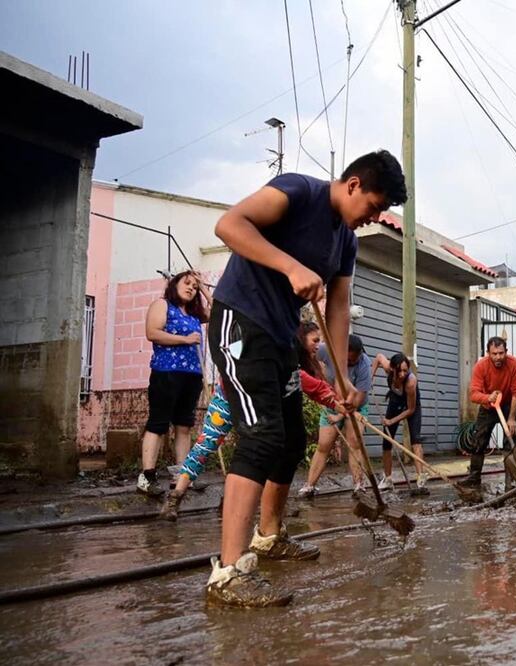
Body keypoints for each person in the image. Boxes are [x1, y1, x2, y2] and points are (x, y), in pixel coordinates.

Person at [205, 150, 407, 607]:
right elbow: (229, 225)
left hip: (281, 335)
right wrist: (290, 265)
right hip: (240, 321)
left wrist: (341, 378)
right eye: (373, 206)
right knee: (260, 437)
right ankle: (227, 573)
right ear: (353, 184)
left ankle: (269, 536)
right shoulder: (298, 191)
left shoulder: (347, 242)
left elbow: (337, 308)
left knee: (292, 438)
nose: (373, 217)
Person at [160, 322, 343, 520]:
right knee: (207, 445)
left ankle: (264, 504)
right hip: (228, 399)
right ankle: (175, 497)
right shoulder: (257, 345)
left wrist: (340, 404)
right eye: (315, 340)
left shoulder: (290, 362)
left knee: (263, 452)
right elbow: (228, 357)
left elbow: (314, 386)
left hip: (252, 404)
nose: (318, 345)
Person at [138, 271, 211, 497]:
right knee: (159, 424)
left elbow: (218, 312)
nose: (191, 288)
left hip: (192, 375)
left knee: (184, 425)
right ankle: (147, 477)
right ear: (174, 284)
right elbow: (152, 333)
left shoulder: (194, 314)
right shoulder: (162, 305)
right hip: (166, 372)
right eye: (187, 283)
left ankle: (181, 476)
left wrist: (205, 290)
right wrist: (185, 339)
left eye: (195, 286)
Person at [300, 333, 372, 498]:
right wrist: (316, 372)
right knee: (323, 445)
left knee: (354, 443)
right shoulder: (327, 351)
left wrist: (343, 414)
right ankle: (309, 486)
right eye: (346, 360)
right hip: (332, 403)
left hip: (356, 408)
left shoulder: (364, 365)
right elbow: (308, 356)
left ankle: (359, 485)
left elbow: (359, 398)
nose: (348, 364)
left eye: (352, 361)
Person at [464, 336, 516, 486]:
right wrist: (488, 397)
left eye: (501, 353)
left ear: (506, 352)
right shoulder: (481, 366)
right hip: (488, 407)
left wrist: (512, 418)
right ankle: (474, 477)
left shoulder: (514, 364)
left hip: (508, 406)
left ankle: (511, 480)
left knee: (510, 442)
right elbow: (473, 394)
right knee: (479, 442)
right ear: (488, 353)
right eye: (494, 354)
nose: (498, 357)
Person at [373, 352, 428, 494]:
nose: (402, 374)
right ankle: (388, 479)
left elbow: (410, 409)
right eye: (399, 371)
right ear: (392, 369)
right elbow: (379, 357)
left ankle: (421, 478)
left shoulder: (411, 382)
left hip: (412, 407)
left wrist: (391, 420)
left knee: (416, 440)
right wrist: (370, 378)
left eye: (405, 370)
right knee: (386, 442)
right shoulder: (388, 368)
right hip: (395, 402)